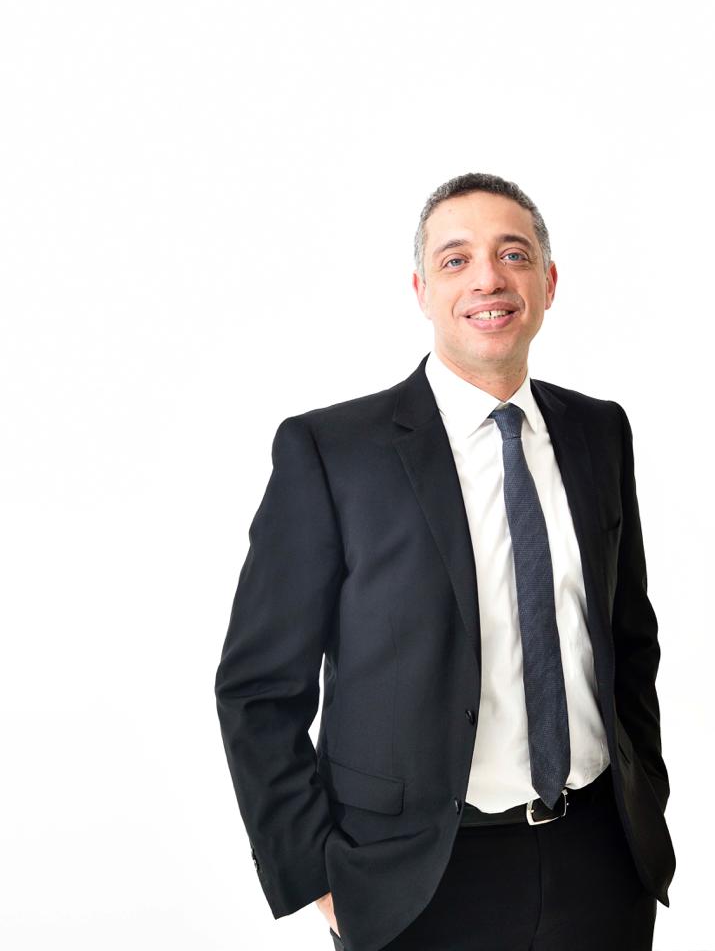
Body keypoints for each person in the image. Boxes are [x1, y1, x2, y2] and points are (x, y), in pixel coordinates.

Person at [214, 172, 675, 951]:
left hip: (598, 861)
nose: (488, 278)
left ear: (547, 283)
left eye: (513, 255)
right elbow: (259, 688)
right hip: (412, 881)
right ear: (422, 290)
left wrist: (642, 802)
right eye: (456, 260)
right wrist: (317, 877)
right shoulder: (333, 452)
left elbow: (629, 640)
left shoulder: (598, 433)